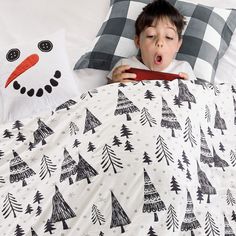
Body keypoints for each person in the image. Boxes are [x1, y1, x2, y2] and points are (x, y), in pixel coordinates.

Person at [107, 0, 196, 83]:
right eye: (151, 35)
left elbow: (200, 97)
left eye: (169, 37)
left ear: (178, 45)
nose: (160, 42)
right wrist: (113, 83)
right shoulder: (125, 66)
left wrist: (190, 88)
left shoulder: (183, 68)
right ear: (138, 42)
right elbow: (103, 95)